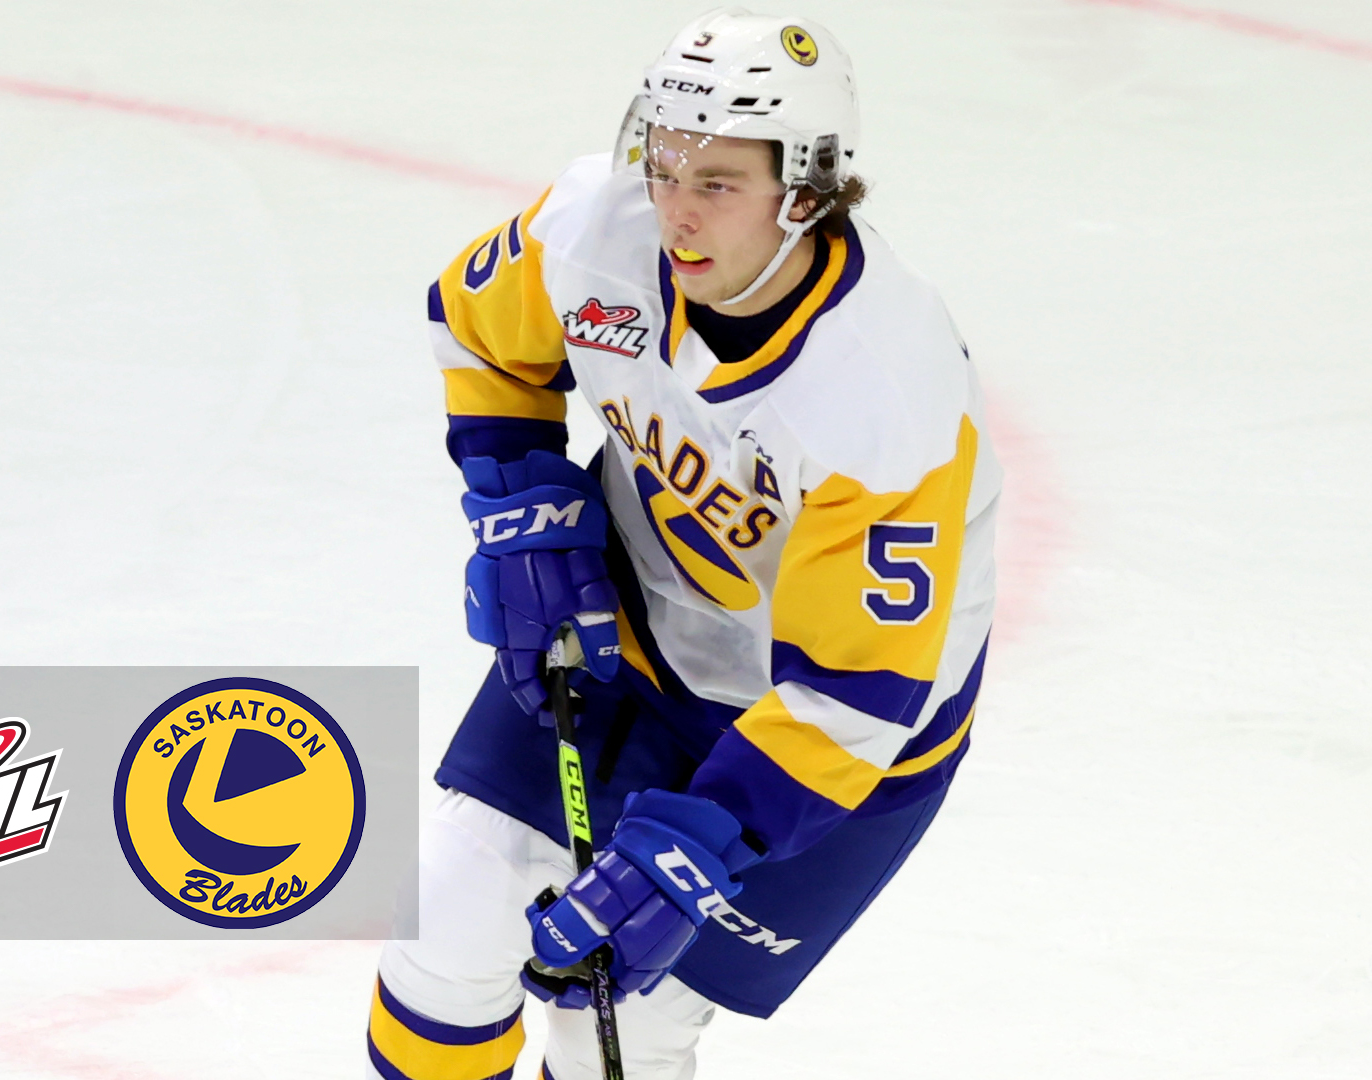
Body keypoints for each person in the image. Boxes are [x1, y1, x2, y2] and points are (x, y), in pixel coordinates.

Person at [366, 10, 999, 1079]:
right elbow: (479, 334)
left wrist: (703, 843)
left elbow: (857, 691)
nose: (676, 210)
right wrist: (525, 505)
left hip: (829, 739)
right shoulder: (594, 227)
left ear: (806, 191)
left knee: (622, 1027)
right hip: (630, 641)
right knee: (450, 918)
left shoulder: (885, 393)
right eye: (663, 165)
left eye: (718, 182)